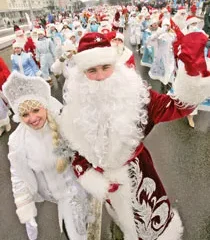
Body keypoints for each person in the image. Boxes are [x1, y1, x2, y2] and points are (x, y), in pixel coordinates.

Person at [61, 32, 210, 240]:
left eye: (105, 67)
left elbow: (176, 106)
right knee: (122, 222)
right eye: (92, 70)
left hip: (141, 178)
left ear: (115, 65)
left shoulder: (137, 95)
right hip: (109, 187)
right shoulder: (73, 110)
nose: (101, 76)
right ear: (82, 74)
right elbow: (76, 154)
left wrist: (193, 74)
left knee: (152, 230)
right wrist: (92, 179)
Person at [2, 71, 90, 240]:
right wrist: (26, 211)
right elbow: (18, 177)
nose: (32, 118)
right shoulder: (18, 142)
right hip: (60, 201)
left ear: (45, 106)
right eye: (25, 114)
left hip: (83, 190)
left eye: (35, 110)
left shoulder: (63, 122)